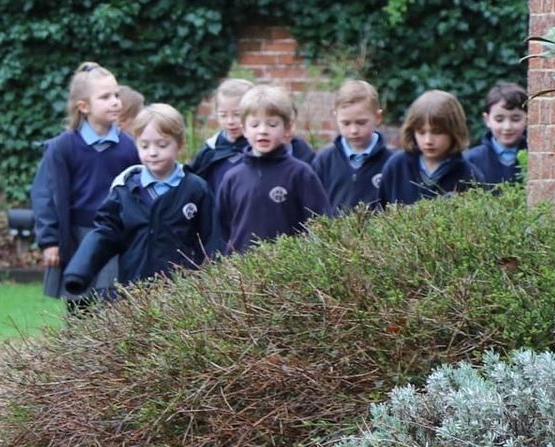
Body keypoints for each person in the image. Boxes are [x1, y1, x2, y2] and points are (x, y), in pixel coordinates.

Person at [63, 104, 212, 298]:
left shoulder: (195, 189)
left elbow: (211, 239)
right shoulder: (125, 190)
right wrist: (79, 271)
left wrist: (209, 284)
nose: (152, 152)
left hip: (181, 296)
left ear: (180, 145)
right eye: (144, 145)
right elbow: (104, 233)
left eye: (162, 144)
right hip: (133, 293)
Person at [31, 62, 140, 300]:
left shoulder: (129, 147)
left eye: (116, 95)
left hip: (113, 236)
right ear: (84, 106)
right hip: (76, 236)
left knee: (113, 302)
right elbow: (45, 195)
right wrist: (49, 241)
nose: (115, 101)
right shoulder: (62, 148)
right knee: (80, 304)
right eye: (105, 97)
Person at [211, 84, 329, 254]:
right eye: (255, 125)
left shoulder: (300, 174)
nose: (263, 131)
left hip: (288, 271)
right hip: (241, 273)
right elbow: (222, 230)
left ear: (287, 129)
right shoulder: (232, 178)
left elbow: (320, 223)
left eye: (272, 125)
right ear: (244, 129)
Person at [379, 89, 480, 205]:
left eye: (437, 132)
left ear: (454, 131)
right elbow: (380, 212)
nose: (428, 141)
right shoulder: (396, 166)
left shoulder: (468, 174)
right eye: (421, 132)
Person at [311, 79, 390, 215]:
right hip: (335, 235)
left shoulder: (391, 162)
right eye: (346, 123)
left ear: (377, 117)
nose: (353, 130)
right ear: (336, 117)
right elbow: (313, 205)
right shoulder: (324, 161)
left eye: (361, 122)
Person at [464, 82, 528, 186]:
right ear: (487, 120)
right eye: (499, 119)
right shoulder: (471, 160)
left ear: (527, 120)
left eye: (515, 119)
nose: (507, 127)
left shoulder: (536, 157)